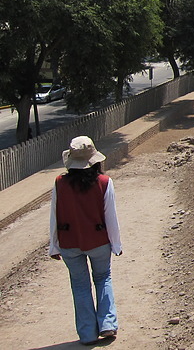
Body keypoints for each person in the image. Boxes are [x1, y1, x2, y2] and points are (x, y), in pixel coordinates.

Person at [49, 136, 122, 345]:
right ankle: (107, 324)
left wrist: (54, 245)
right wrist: (116, 244)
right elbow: (111, 217)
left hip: (69, 242)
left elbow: (55, 215)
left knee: (80, 285)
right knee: (103, 278)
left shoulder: (59, 183)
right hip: (98, 241)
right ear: (95, 160)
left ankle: (88, 334)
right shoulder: (104, 183)